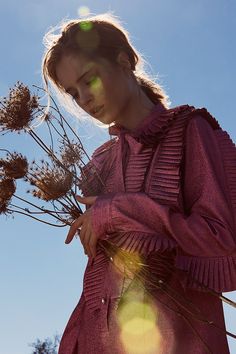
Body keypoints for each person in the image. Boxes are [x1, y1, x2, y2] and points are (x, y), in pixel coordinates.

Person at [42, 13, 236, 354]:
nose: (84, 99)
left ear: (124, 60)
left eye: (89, 80)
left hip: (181, 341)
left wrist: (119, 211)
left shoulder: (190, 131)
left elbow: (222, 240)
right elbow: (103, 278)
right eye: (73, 92)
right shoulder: (99, 165)